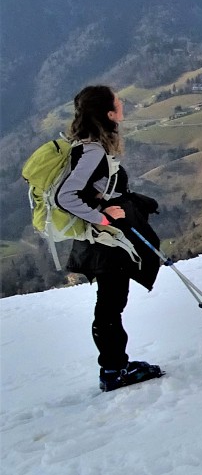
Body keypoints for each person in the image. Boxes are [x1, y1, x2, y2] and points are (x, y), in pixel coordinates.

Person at [57, 85, 164, 392]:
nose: (123, 105)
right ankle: (114, 371)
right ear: (109, 114)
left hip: (105, 241)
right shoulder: (92, 151)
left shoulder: (88, 145)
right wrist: (103, 217)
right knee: (110, 306)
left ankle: (116, 365)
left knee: (110, 305)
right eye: (119, 102)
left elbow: (90, 190)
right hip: (106, 245)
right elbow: (67, 195)